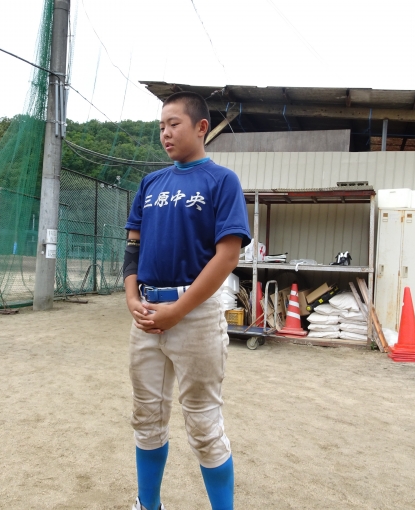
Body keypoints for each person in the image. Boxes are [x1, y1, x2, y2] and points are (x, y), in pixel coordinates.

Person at [123, 91, 251, 510]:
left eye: (173, 124)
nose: (165, 133)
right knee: (146, 417)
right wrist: (131, 297)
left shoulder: (222, 181)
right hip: (146, 312)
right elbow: (132, 247)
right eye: (161, 126)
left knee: (203, 424)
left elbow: (227, 256)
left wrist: (178, 310)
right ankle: (148, 505)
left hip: (194, 314)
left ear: (201, 127)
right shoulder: (151, 183)